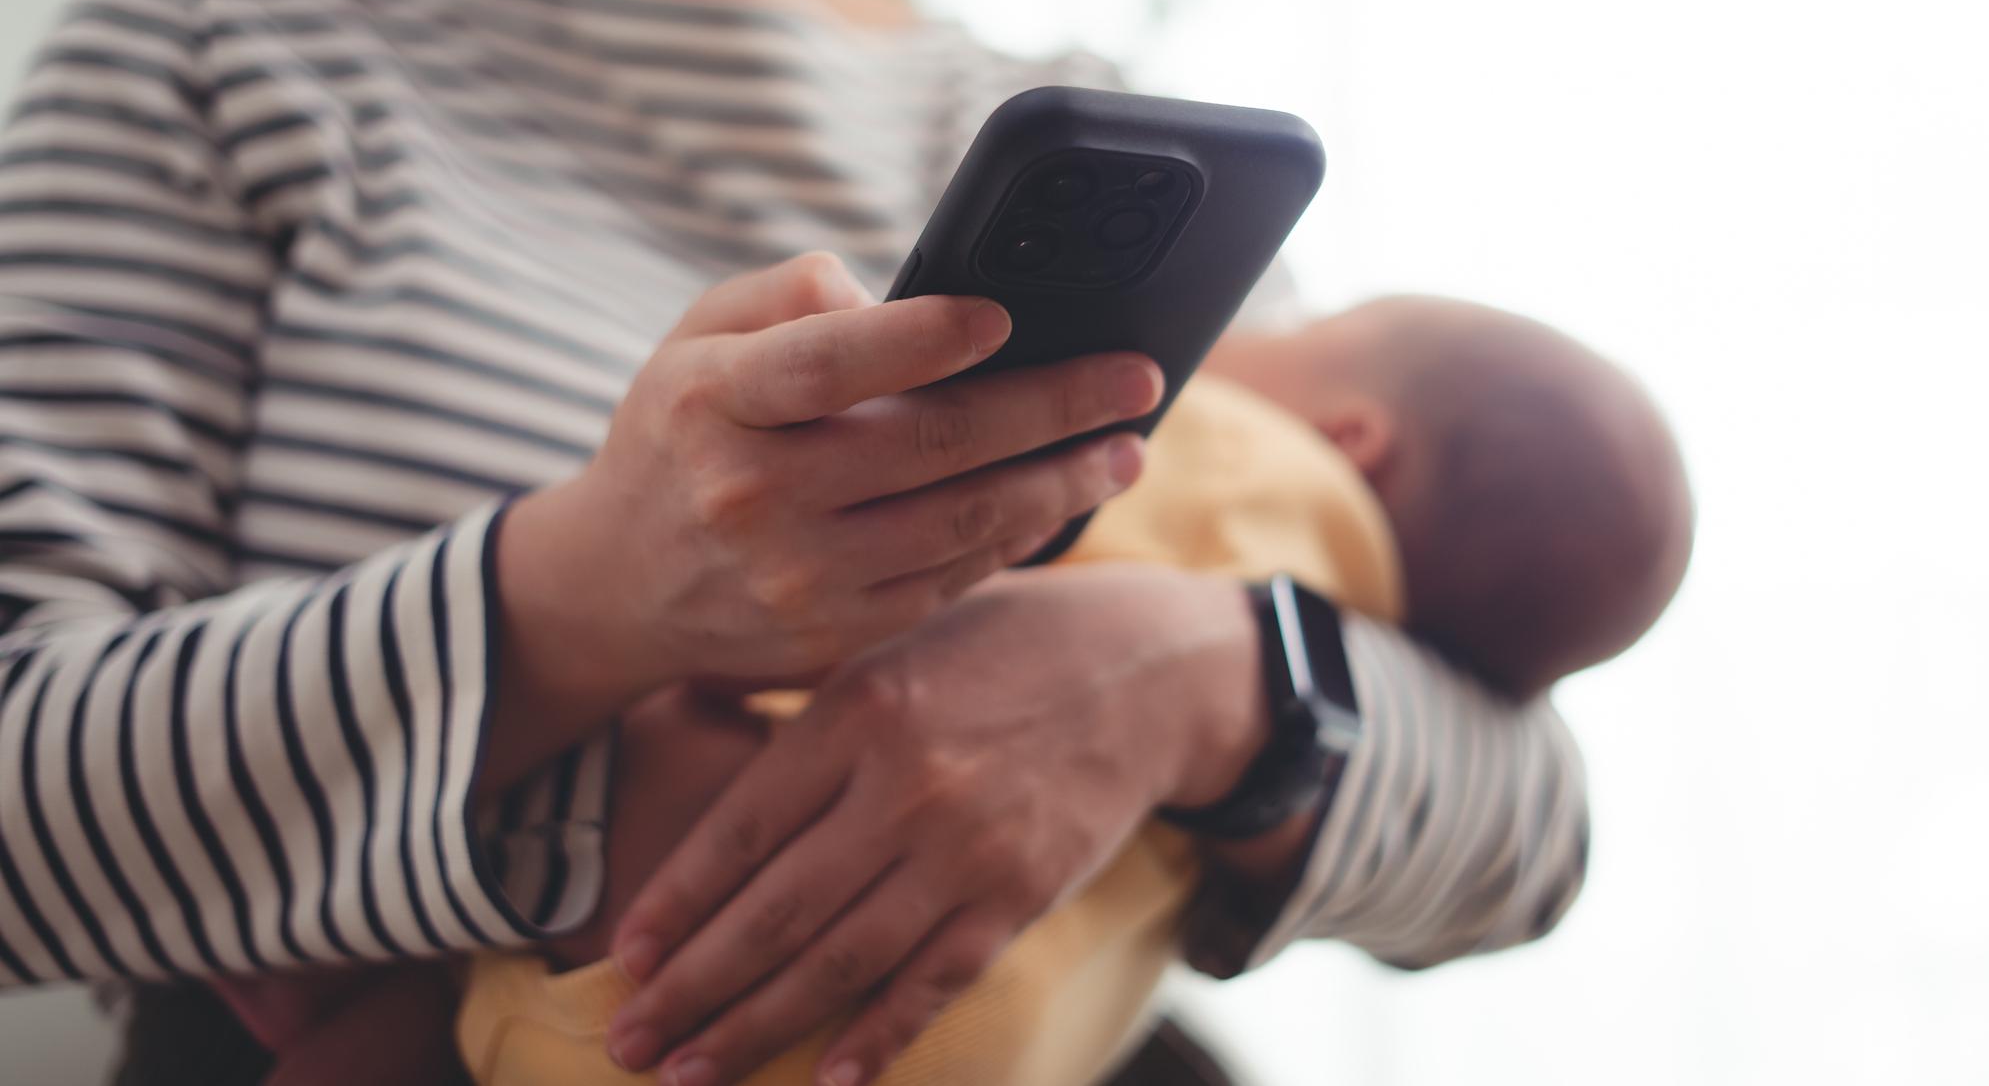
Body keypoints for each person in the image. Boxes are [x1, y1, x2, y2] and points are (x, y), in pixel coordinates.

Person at [0, 0, 1674, 1083]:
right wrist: (581, 598)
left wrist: (1189, 678)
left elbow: (1526, 829)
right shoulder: (216, 38)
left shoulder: (1078, 138)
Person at [434, 294, 1691, 1086]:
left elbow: (1536, 835)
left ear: (1355, 434)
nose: (1248, 328)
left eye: (1297, 331)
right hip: (983, 1041)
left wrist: (1219, 678)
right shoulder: (1375, 625)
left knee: (656, 751)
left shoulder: (1236, 452)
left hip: (726, 936)